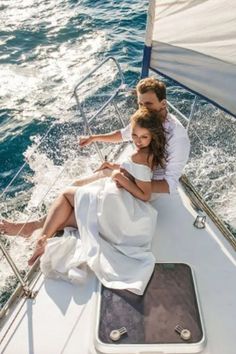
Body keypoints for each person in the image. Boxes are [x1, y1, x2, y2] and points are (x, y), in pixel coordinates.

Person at [0, 77, 190, 250]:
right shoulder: (147, 119)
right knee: (75, 186)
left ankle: (31, 229)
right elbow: (124, 134)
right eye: (140, 103)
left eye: (148, 103)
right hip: (132, 175)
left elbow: (169, 184)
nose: (143, 108)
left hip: (144, 187)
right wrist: (94, 138)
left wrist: (127, 179)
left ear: (163, 103)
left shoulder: (177, 137)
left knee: (78, 200)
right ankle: (35, 228)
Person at [25, 108, 166, 295]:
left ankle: (41, 239)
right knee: (74, 207)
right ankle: (33, 230)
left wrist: (119, 177)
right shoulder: (148, 153)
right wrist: (117, 168)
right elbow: (139, 173)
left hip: (125, 212)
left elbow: (145, 194)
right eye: (134, 135)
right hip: (131, 217)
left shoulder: (138, 155)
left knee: (66, 194)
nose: (137, 141)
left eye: (143, 137)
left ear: (152, 137)